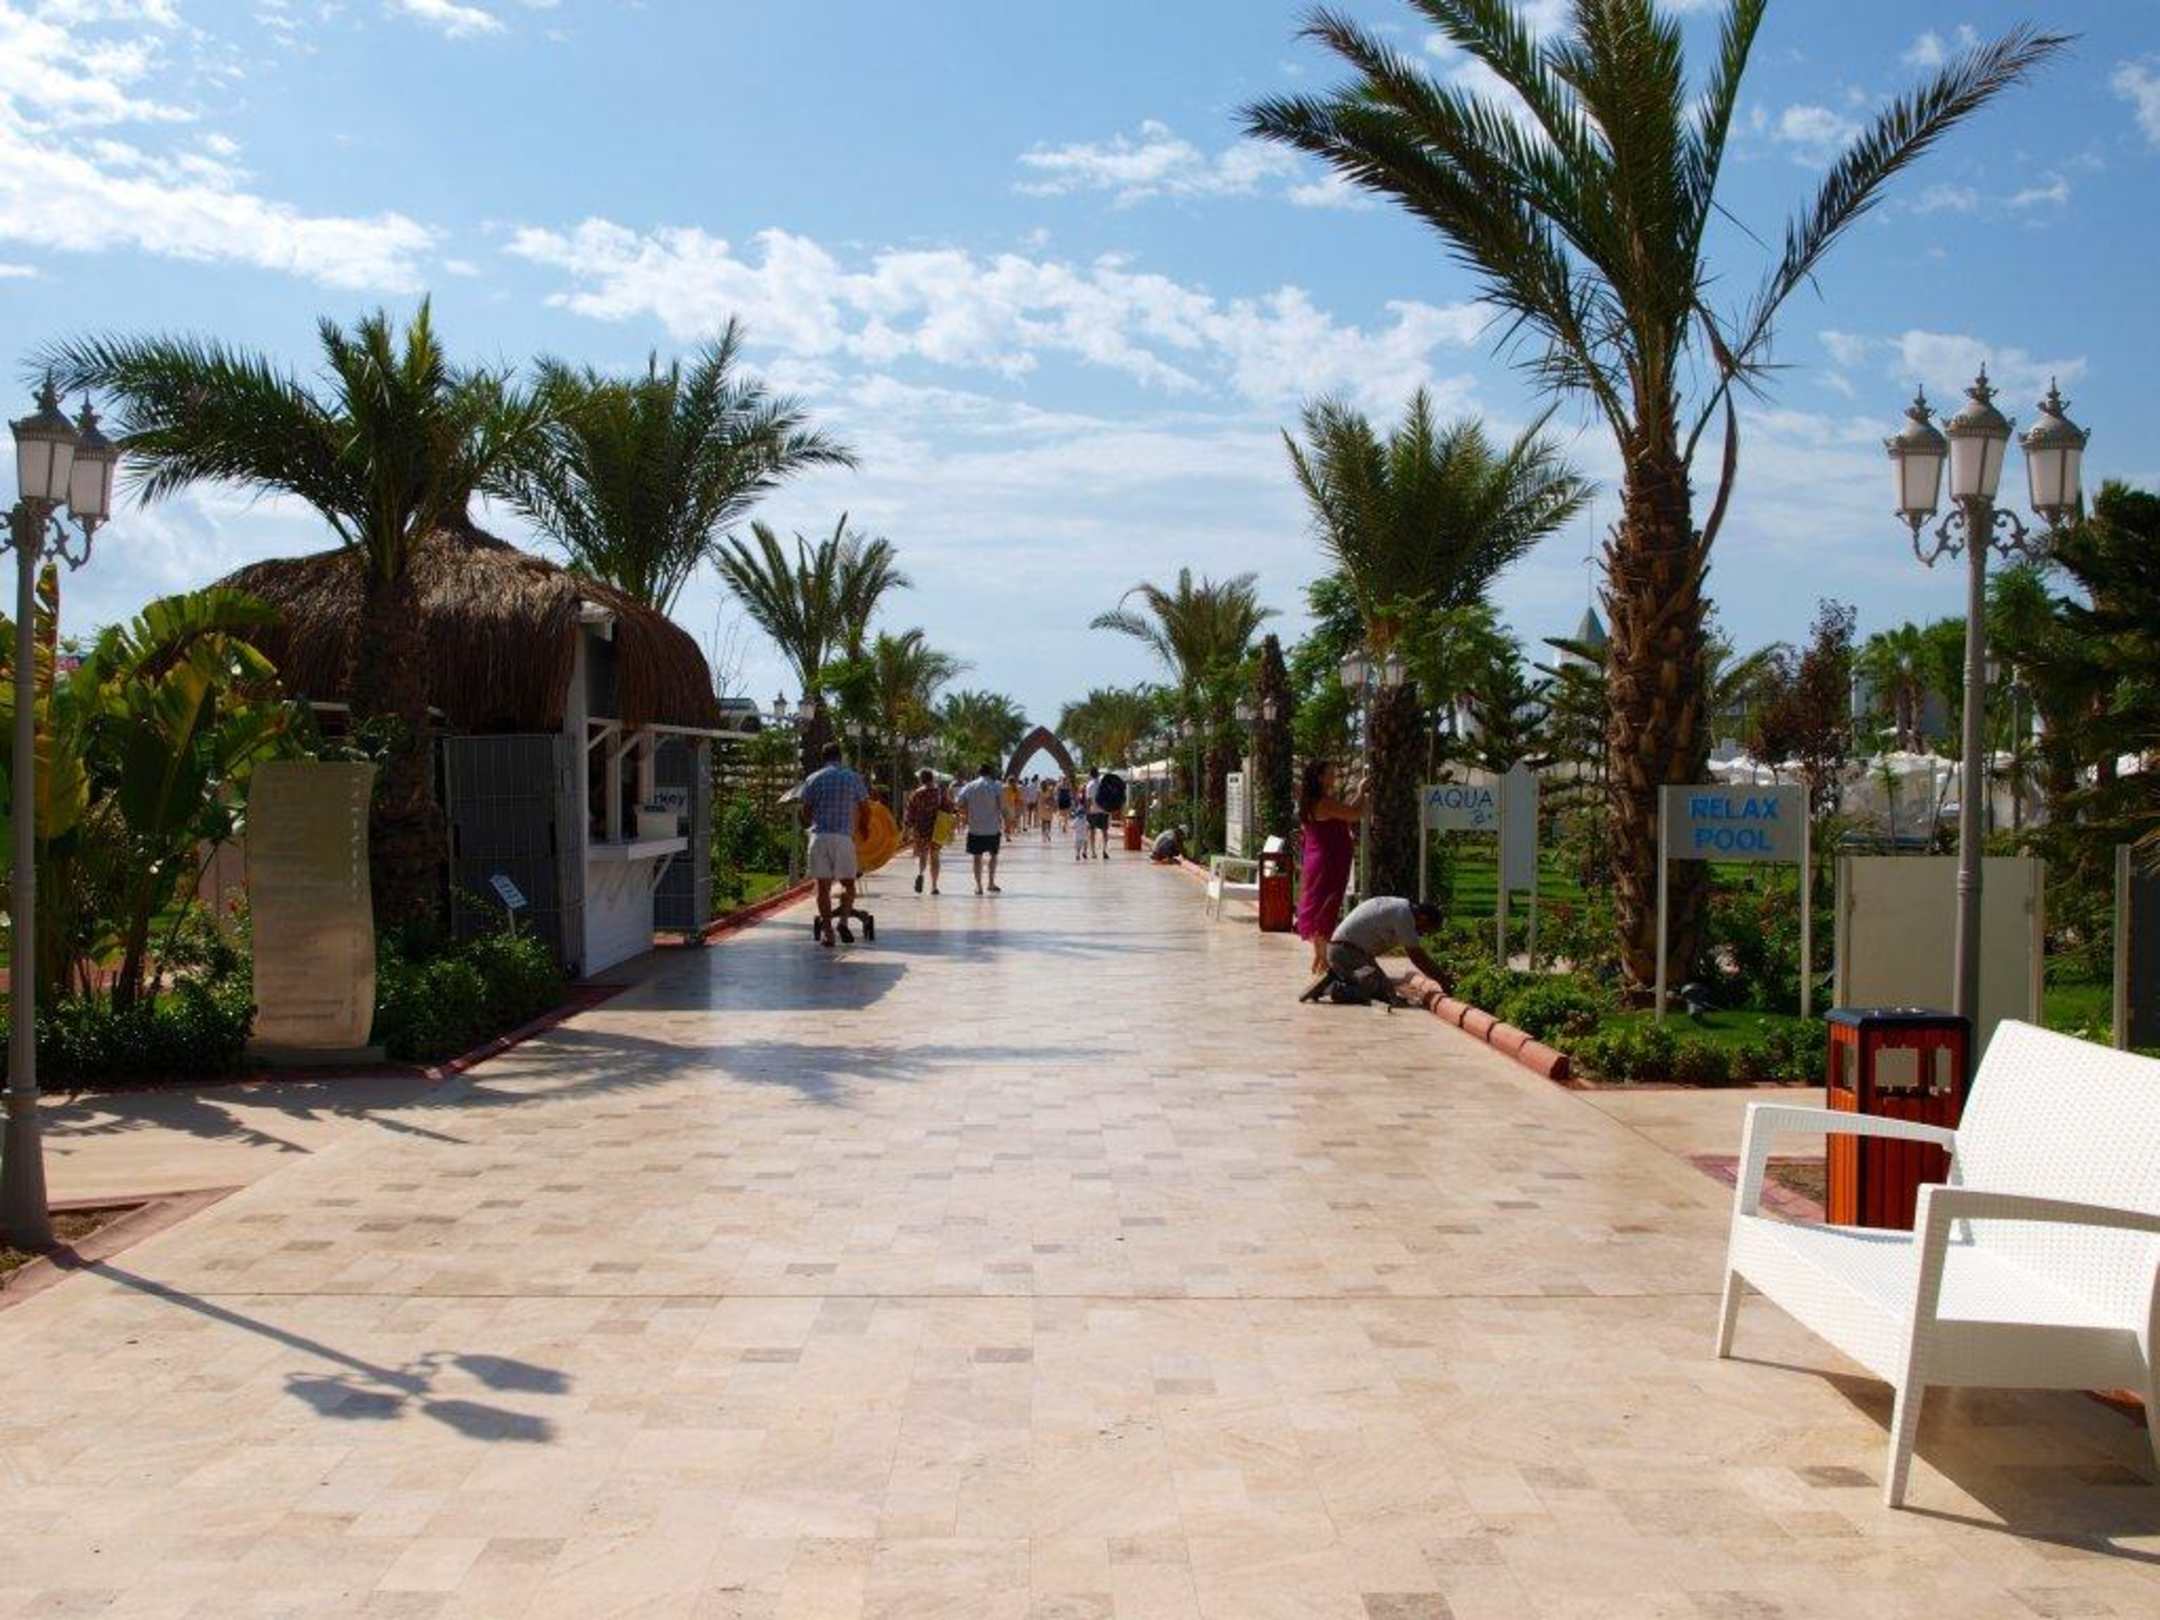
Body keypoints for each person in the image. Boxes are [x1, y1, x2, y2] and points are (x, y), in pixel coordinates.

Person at [799, 742, 873, 947]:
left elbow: (805, 811)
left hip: (820, 837)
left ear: (823, 757)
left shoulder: (813, 778)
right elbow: (866, 808)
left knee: (822, 888)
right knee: (849, 885)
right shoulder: (853, 778)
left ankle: (828, 933)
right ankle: (843, 922)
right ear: (840, 757)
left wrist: (814, 822)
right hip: (843, 838)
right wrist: (864, 828)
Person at [1295, 758, 1363, 975]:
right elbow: (1354, 814)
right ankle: (1322, 959)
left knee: (1320, 907)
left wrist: (1360, 795)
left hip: (1320, 859)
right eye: (1330, 773)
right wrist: (1363, 792)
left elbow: (1347, 813)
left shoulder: (1311, 801)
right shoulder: (1323, 803)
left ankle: (1320, 957)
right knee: (1326, 907)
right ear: (1319, 778)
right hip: (1329, 861)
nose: (1334, 777)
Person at [1323, 896, 1448, 1005]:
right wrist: (1443, 980)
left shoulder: (1401, 907)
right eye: (1426, 930)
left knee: (1387, 991)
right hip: (1345, 952)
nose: (1422, 934)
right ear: (1423, 918)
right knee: (1383, 993)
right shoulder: (1404, 916)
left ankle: (1341, 977)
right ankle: (1334, 988)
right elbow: (1417, 957)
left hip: (1346, 951)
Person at [956, 761, 1007, 894]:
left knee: (977, 857)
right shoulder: (996, 786)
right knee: (993, 856)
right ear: (990, 773)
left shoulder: (970, 786)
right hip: (992, 828)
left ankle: (979, 886)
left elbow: (958, 803)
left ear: (978, 773)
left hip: (975, 828)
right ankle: (991, 883)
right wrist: (1007, 823)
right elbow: (1002, 806)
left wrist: (967, 812)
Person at [904, 768, 949, 896]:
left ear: (921, 779)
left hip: (920, 829)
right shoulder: (939, 792)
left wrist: (906, 831)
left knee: (923, 855)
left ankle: (921, 873)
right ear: (932, 778)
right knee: (935, 856)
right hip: (937, 829)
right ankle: (934, 886)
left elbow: (910, 813)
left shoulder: (917, 794)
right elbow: (948, 807)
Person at [1084, 768, 1111, 858]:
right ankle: (1104, 850)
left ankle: (1093, 852)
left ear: (1090, 774)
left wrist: (1087, 811)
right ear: (1098, 774)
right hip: (1103, 810)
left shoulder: (1089, 785)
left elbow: (1088, 799)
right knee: (1104, 831)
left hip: (1093, 811)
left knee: (1092, 831)